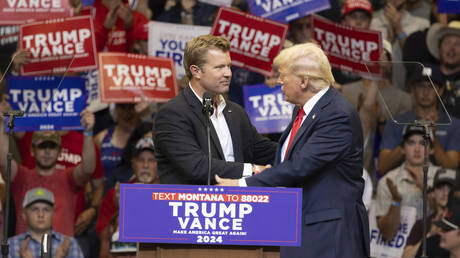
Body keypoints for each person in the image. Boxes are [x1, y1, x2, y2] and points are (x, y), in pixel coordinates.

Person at [216, 42, 369, 258]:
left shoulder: (337, 115)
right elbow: (292, 161)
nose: (279, 81)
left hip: (329, 233)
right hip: (303, 227)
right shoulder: (304, 110)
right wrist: (270, 171)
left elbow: (301, 166)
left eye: (283, 75)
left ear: (304, 81)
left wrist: (242, 184)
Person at [154, 35, 277, 185]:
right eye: (219, 67)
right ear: (196, 71)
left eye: (229, 66)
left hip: (237, 205)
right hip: (189, 205)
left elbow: (266, 151)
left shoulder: (236, 112)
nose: (228, 73)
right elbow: (197, 166)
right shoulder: (172, 114)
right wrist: (252, 170)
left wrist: (303, 146)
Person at [0, 108, 96, 236]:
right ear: (32, 151)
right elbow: (4, 162)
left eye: (51, 146)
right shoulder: (21, 177)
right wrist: (3, 123)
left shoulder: (68, 178)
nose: (47, 151)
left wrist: (88, 133)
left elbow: (88, 169)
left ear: (59, 151)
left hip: (63, 253)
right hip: (26, 253)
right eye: (41, 146)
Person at [378, 64, 460, 174]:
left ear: (440, 91)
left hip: (439, 187)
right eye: (421, 86)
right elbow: (382, 166)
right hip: (403, 185)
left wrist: (433, 136)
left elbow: (452, 166)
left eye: (431, 87)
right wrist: (410, 136)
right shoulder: (395, 122)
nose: (425, 92)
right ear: (412, 89)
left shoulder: (453, 124)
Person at [375, 125, 450, 242]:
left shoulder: (446, 179)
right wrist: (396, 202)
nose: (417, 149)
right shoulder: (388, 181)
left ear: (431, 149)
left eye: (423, 143)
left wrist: (425, 189)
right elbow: (388, 235)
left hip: (435, 248)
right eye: (411, 143)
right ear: (402, 149)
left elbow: (451, 224)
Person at [96, 137, 158, 258]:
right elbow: (104, 245)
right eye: (141, 160)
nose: (146, 165)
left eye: (151, 160)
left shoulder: (169, 194)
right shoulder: (117, 192)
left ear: (159, 164)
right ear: (133, 163)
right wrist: (121, 209)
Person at [8, 187, 84, 258]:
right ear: (24, 214)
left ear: (53, 213)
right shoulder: (11, 245)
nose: (41, 214)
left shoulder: (70, 245)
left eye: (46, 209)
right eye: (35, 209)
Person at [402, 168, 457, 258]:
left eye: (450, 188)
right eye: (440, 188)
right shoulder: (422, 224)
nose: (446, 193)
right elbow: (406, 256)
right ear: (433, 192)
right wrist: (429, 235)